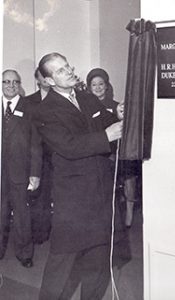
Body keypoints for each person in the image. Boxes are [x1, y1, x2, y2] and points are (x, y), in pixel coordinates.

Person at [34, 53, 130, 300]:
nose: (69, 71)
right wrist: (105, 136)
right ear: (48, 81)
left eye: (67, 66)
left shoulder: (86, 97)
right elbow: (67, 146)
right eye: (60, 70)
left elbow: (106, 120)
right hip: (74, 199)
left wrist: (117, 113)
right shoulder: (45, 110)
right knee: (61, 263)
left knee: (99, 260)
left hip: (100, 192)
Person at [86, 68, 142, 228]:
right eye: (94, 85)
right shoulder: (87, 108)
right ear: (89, 87)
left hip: (119, 151)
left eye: (101, 84)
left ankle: (129, 211)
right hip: (100, 152)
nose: (97, 88)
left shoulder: (117, 106)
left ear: (106, 86)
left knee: (129, 174)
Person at [0, 69, 42, 268]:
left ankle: (25, 253)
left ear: (20, 84)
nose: (10, 85)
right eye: (6, 81)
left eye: (14, 82)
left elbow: (36, 143)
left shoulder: (30, 109)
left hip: (21, 172)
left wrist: (35, 173)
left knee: (22, 215)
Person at [25, 68, 52, 245]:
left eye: (47, 75)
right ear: (37, 78)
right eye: (41, 76)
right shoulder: (28, 101)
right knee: (40, 196)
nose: (44, 79)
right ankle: (40, 234)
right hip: (38, 155)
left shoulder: (61, 99)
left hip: (59, 153)